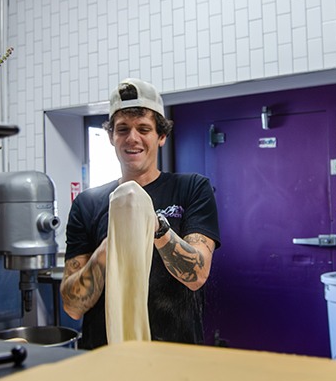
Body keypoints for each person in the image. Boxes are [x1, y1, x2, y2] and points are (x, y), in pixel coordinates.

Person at [61, 78, 221, 349]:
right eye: (122, 129)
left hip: (175, 351)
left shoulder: (191, 188)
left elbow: (197, 276)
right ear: (111, 137)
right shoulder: (87, 203)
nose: (132, 138)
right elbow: (72, 306)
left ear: (161, 136)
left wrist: (155, 227)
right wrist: (110, 247)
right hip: (106, 353)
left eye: (144, 129)